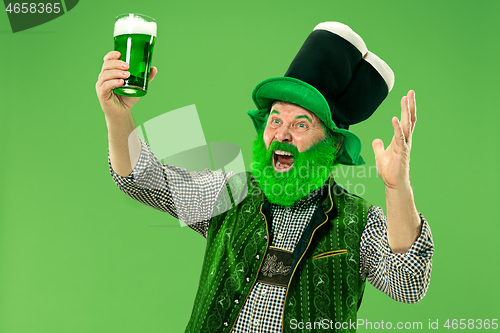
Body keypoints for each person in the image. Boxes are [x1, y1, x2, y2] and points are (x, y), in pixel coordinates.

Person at [96, 22, 433, 333]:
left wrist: (395, 186)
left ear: (333, 143)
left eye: (301, 124)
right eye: (275, 120)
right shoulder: (229, 193)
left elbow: (407, 282)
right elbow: (141, 179)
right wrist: (118, 116)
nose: (282, 134)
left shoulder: (359, 221)